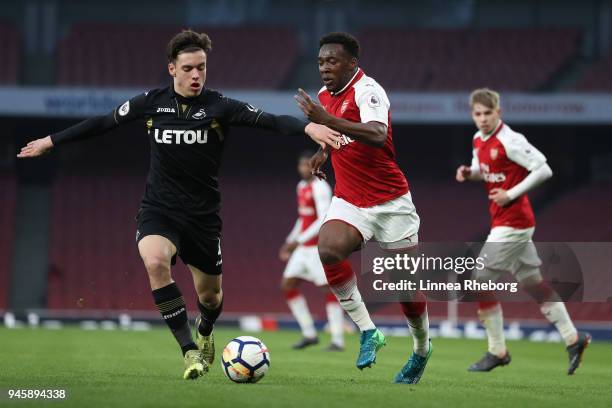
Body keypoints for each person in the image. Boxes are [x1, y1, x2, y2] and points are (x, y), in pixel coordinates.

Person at [18, 29, 341, 380]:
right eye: (188, 68)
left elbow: (270, 120)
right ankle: (190, 352)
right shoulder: (150, 103)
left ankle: (204, 332)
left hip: (202, 218)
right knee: (156, 261)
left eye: (201, 67)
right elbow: (102, 122)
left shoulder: (220, 106)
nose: (196, 75)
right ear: (172, 69)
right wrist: (52, 140)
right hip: (159, 209)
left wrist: (309, 129)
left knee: (212, 298)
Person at [295, 32, 431, 384]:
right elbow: (338, 135)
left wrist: (323, 118)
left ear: (352, 63)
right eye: (321, 62)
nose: (325, 68)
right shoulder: (327, 96)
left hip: (391, 204)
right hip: (350, 199)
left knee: (406, 291)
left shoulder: (368, 90)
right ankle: (369, 331)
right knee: (329, 249)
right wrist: (324, 150)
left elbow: (374, 134)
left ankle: (421, 349)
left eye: (333, 61)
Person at [455, 87, 590, 374]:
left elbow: (543, 169)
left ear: (498, 112)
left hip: (513, 223)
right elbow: (482, 169)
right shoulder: (479, 139)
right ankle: (574, 339)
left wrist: (512, 193)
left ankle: (498, 350)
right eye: (477, 114)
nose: (482, 119)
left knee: (479, 280)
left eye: (487, 113)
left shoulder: (511, 140)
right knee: (534, 284)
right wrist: (470, 173)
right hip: (504, 221)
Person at [279, 150, 345, 351]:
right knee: (288, 285)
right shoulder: (301, 186)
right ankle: (309, 333)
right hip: (302, 249)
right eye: (301, 165)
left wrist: (298, 240)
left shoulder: (320, 187)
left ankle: (337, 339)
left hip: (317, 247)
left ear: (315, 167)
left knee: (328, 289)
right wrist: (290, 240)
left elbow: (322, 218)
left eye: (307, 165)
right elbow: (303, 218)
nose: (304, 169)